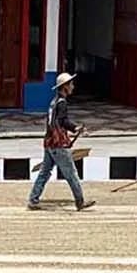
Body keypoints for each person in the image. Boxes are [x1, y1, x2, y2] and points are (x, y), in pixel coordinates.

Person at [28, 72, 95, 212]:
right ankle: (80, 202)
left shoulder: (53, 102)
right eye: (71, 84)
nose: (73, 86)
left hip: (49, 142)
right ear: (64, 87)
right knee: (71, 173)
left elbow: (53, 122)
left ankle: (33, 200)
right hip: (58, 144)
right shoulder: (62, 103)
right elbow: (62, 121)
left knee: (44, 173)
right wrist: (75, 128)